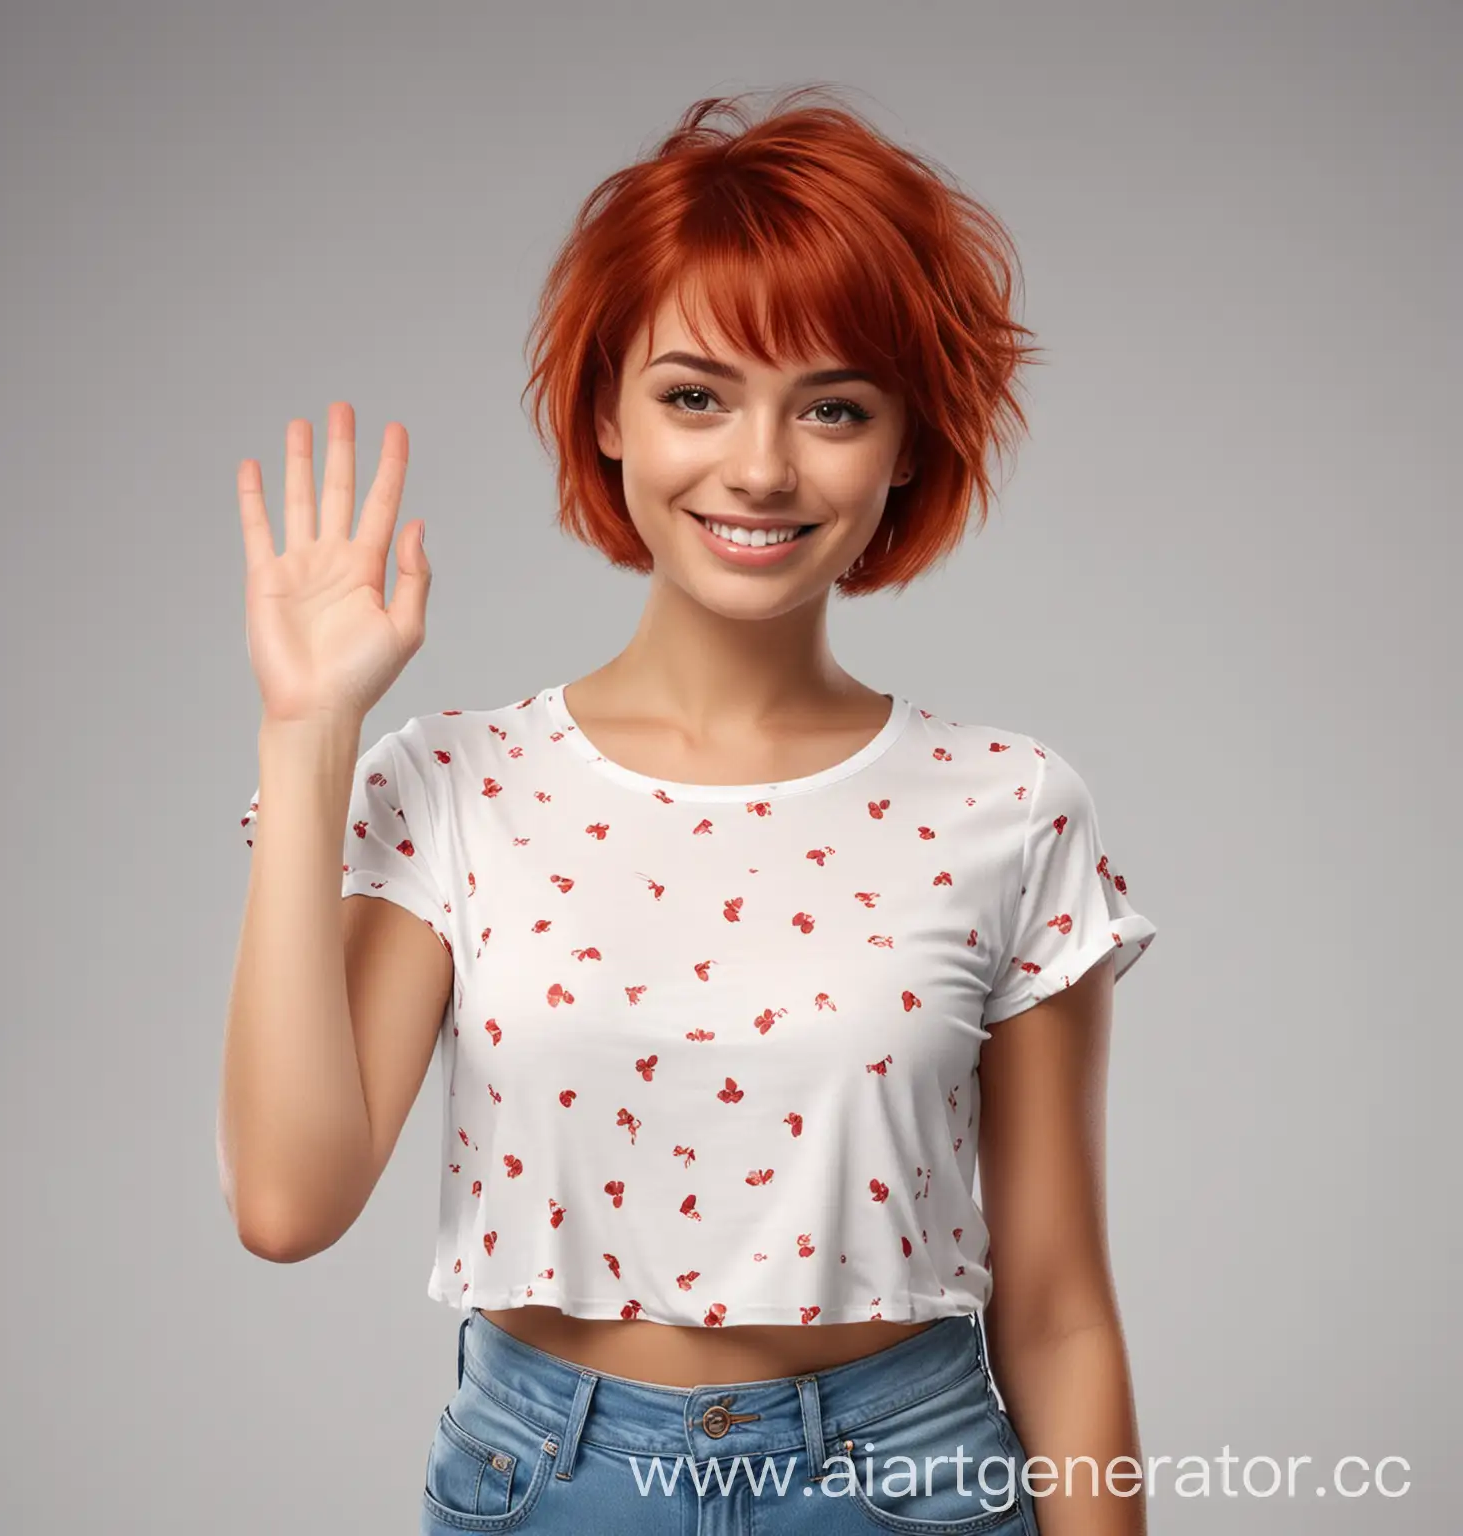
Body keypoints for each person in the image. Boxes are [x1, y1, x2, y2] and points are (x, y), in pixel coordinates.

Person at [222, 86, 1157, 1535]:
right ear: (609, 412)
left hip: (905, 1480)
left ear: (909, 442)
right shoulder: (454, 783)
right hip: (548, 1481)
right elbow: (287, 1207)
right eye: (696, 393)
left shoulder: (1010, 808)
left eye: (834, 406)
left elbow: (1058, 1311)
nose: (763, 466)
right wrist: (309, 733)